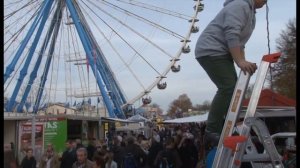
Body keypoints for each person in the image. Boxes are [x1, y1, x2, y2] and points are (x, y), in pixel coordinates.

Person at [194, 0, 267, 150]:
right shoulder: (240, 6)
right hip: (211, 50)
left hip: (221, 52)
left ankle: (225, 127)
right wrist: (240, 61)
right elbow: (232, 34)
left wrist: (242, 61)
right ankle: (212, 129)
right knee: (228, 87)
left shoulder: (250, 12)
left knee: (235, 90)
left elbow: (240, 42)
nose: (266, 2)